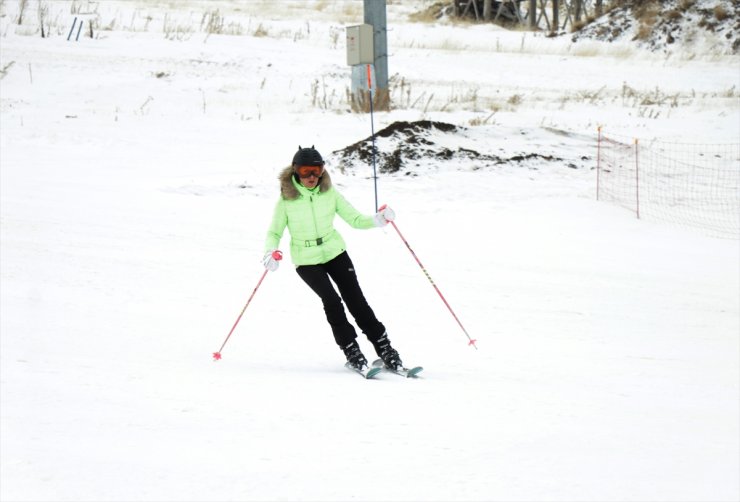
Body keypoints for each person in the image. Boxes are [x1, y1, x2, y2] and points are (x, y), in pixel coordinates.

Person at [262, 145, 402, 372]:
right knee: (332, 301)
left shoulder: (330, 193)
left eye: (316, 170)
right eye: (306, 170)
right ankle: (351, 349)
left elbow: (355, 219)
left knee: (356, 300)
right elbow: (274, 232)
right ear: (296, 171)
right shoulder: (286, 201)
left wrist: (378, 220)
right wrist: (271, 251)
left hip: (335, 251)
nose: (311, 177)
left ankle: (385, 348)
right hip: (306, 259)